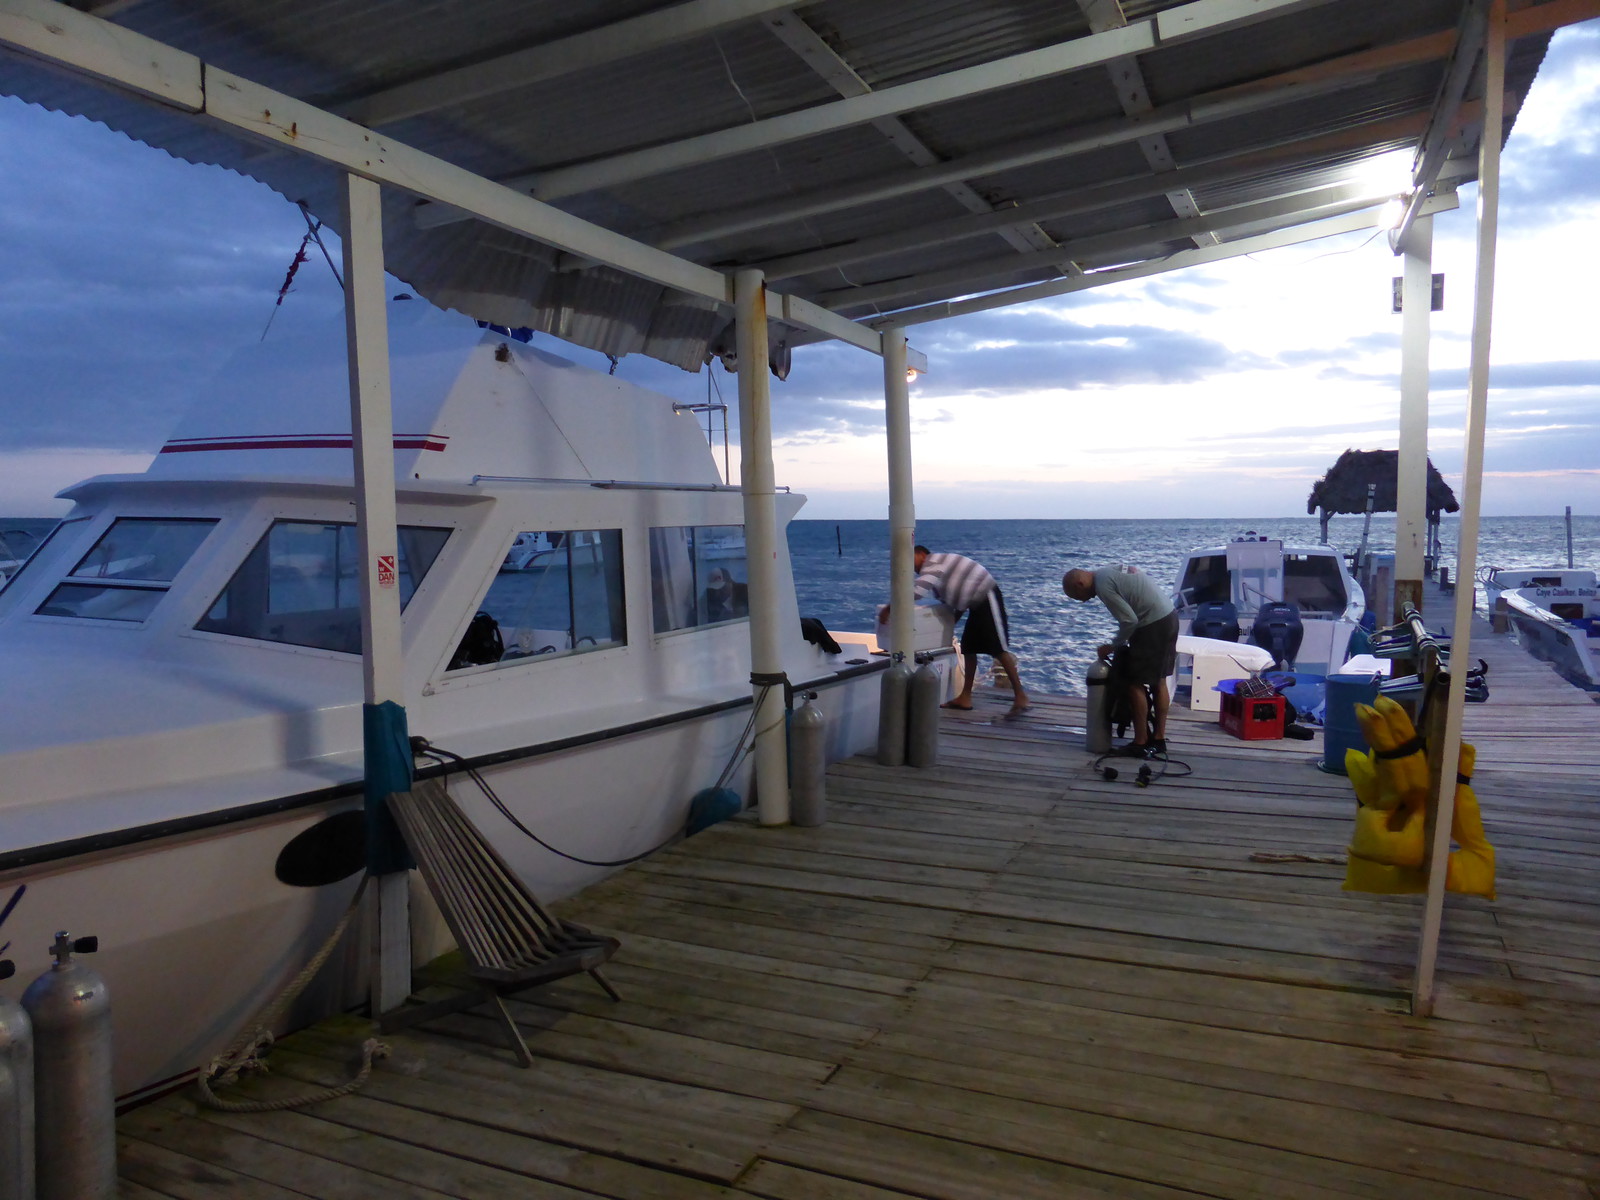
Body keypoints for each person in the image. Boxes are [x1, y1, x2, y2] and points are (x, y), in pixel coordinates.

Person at [882, 545, 1029, 717]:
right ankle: (965, 698)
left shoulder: (933, 563)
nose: (910, 566)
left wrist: (889, 608)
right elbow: (959, 597)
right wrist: (951, 623)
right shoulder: (938, 571)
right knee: (968, 648)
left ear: (922, 554)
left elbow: (917, 591)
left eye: (910, 560)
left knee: (998, 648)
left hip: (986, 596)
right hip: (975, 604)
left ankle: (1020, 696)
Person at [1063, 565, 1179, 757]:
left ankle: (1141, 742)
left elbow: (1129, 621)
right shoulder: (1107, 573)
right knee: (1159, 681)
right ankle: (1158, 740)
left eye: (1079, 597)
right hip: (1169, 617)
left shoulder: (1103, 586)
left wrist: (1112, 645)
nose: (1085, 600)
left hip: (1151, 625)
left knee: (1133, 682)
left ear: (1080, 583)